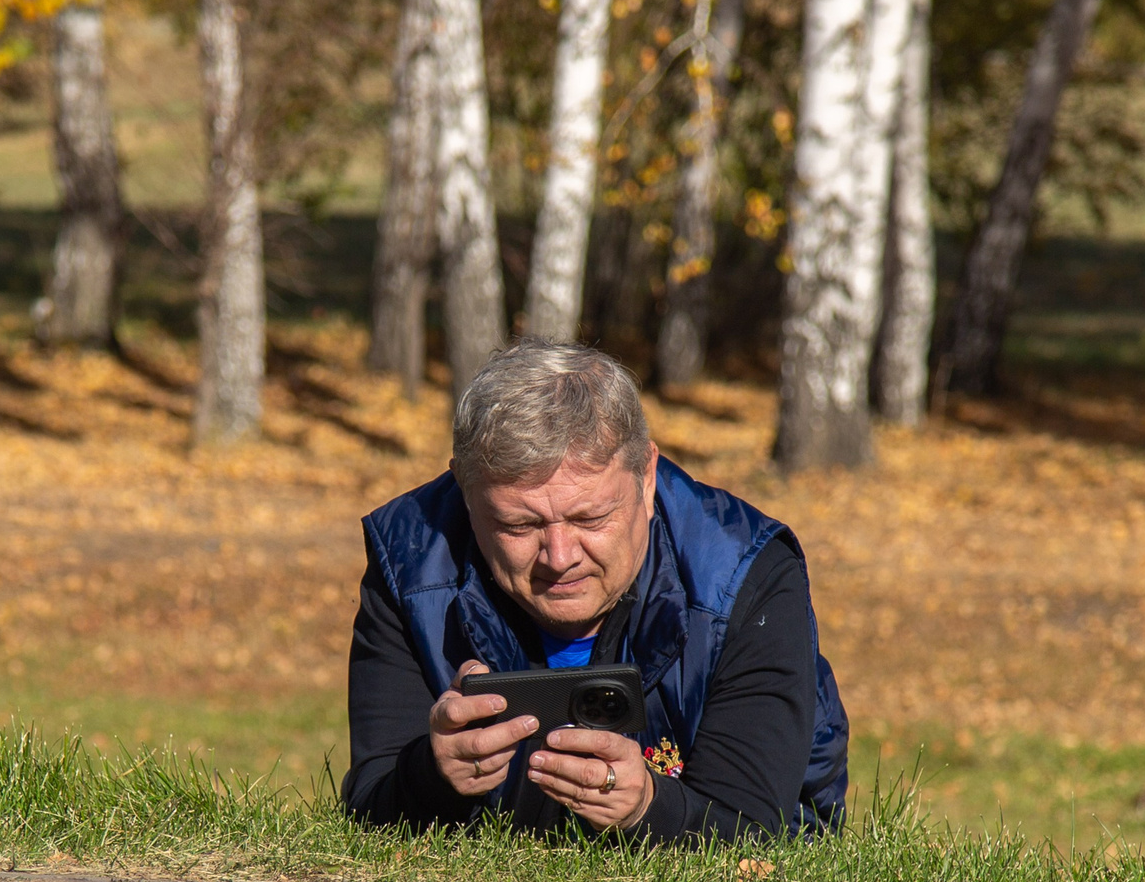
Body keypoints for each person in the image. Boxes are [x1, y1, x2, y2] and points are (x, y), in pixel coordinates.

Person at [342, 339, 849, 841]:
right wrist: (433, 776)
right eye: (520, 525)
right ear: (465, 494)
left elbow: (759, 830)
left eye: (590, 517)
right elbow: (371, 806)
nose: (559, 557)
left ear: (646, 477)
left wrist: (649, 807)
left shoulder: (743, 574)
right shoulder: (410, 560)